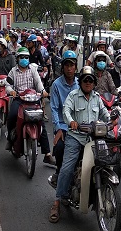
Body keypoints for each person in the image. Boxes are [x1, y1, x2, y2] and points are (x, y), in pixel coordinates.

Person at [49, 66, 111, 223]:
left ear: (94, 82)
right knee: (67, 168)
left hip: (93, 139)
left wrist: (112, 120)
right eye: (85, 80)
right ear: (81, 82)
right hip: (75, 138)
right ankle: (57, 202)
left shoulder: (97, 98)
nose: (88, 82)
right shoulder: (73, 96)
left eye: (91, 80)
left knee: (106, 163)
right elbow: (66, 111)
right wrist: (71, 122)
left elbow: (105, 113)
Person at [5, 47, 55, 165]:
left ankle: (47, 154)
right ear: (17, 59)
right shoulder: (13, 71)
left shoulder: (33, 70)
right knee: (12, 116)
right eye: (22, 57)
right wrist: (11, 91)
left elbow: (38, 83)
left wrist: (43, 92)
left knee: (41, 124)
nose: (24, 59)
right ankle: (10, 139)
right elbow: (7, 85)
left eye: (26, 57)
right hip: (19, 100)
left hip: (33, 100)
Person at [48, 50, 79, 187]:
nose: (69, 68)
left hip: (79, 126)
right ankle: (60, 172)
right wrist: (58, 128)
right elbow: (54, 108)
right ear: (63, 67)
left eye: (72, 65)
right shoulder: (56, 85)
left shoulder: (80, 84)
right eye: (67, 65)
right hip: (63, 126)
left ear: (75, 67)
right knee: (60, 147)